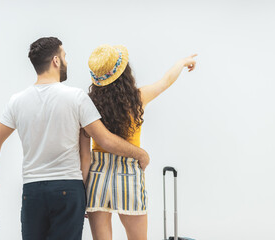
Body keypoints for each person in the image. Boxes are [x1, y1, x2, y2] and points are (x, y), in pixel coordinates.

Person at [0, 37, 150, 240]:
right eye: (64, 56)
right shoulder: (76, 98)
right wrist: (140, 153)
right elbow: (105, 140)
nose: (66, 61)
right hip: (68, 188)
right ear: (55, 61)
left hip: (32, 190)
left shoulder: (17, 101)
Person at [82, 44, 196, 240]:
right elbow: (166, 81)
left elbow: (83, 155)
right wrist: (182, 62)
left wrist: (83, 190)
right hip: (129, 171)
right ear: (124, 73)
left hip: (97, 173)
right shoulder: (137, 98)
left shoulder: (87, 104)